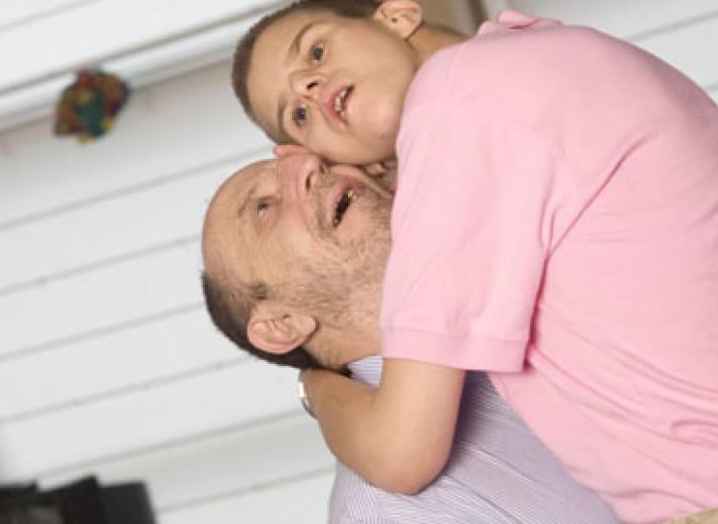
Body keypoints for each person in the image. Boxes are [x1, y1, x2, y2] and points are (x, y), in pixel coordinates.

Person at [218, 0, 718, 522]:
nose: (310, 87)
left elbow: (401, 453)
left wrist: (318, 389)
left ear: (397, 17)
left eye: (315, 51)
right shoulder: (534, 59)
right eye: (297, 115)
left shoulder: (454, 105)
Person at [201, 156, 619, 523]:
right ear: (282, 325)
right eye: (263, 208)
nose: (310, 166)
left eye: (323, 161)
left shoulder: (544, 243)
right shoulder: (386, 515)